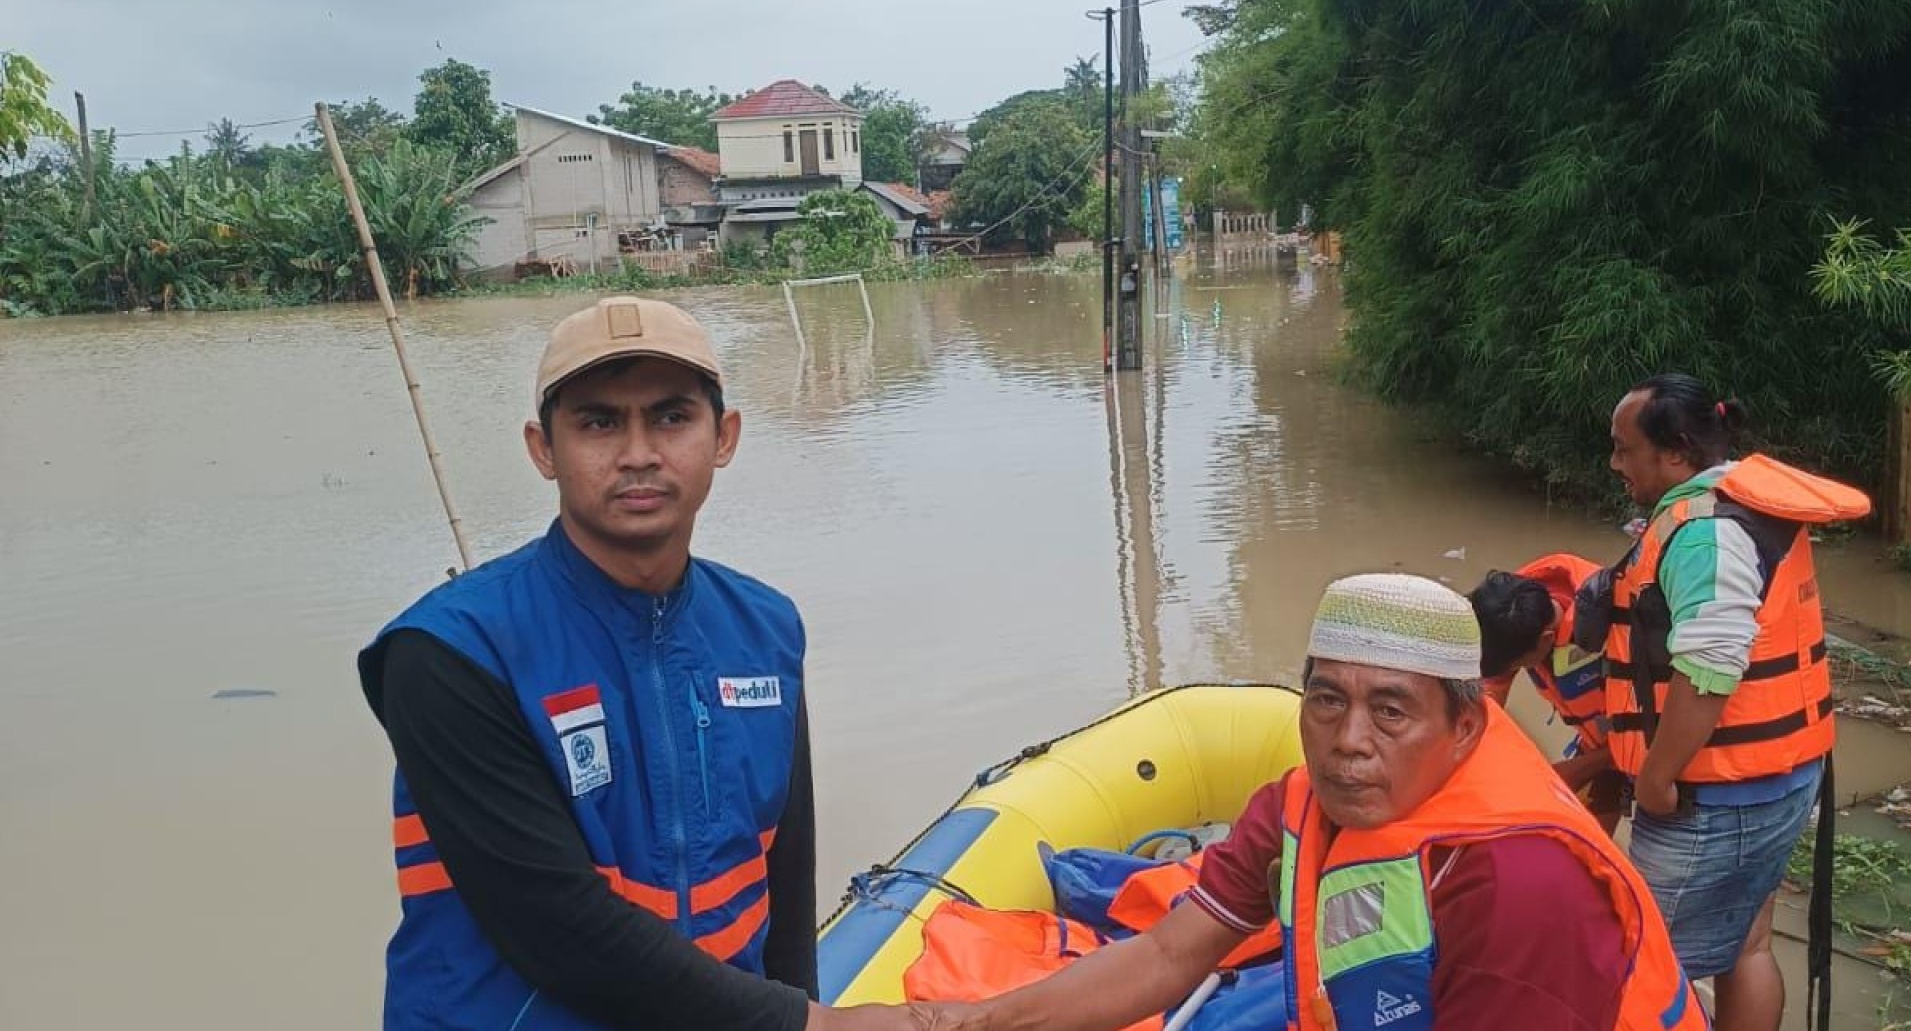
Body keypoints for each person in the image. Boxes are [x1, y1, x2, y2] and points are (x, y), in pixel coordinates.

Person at [357, 297, 896, 1031]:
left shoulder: (765, 630)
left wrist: (800, 1010)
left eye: (671, 417)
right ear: (542, 449)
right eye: (598, 422)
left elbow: (785, 884)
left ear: (724, 436)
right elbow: (558, 929)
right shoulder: (451, 653)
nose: (638, 453)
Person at [905, 573, 1708, 1031]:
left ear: (1465, 726)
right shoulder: (1301, 806)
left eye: (1391, 712)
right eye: (1326, 700)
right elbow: (1165, 956)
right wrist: (966, 1025)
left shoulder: (1518, 881)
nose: (1347, 739)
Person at [1603, 374, 1869, 1031]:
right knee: (1747, 945)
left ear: (1675, 451)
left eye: (1622, 448)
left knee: (1638, 963)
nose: (1614, 464)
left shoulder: (1705, 532)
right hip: (1776, 779)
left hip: (1714, 798)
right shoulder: (1740, 506)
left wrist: (1658, 775)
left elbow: (1712, 667)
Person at [1468, 557, 1624, 833]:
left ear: (1546, 640)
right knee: (1579, 831)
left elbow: (1660, 730)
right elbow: (1489, 700)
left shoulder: (1621, 625)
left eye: (1519, 665)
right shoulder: (1508, 612)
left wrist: (1571, 770)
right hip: (1601, 736)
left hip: (1668, 742)